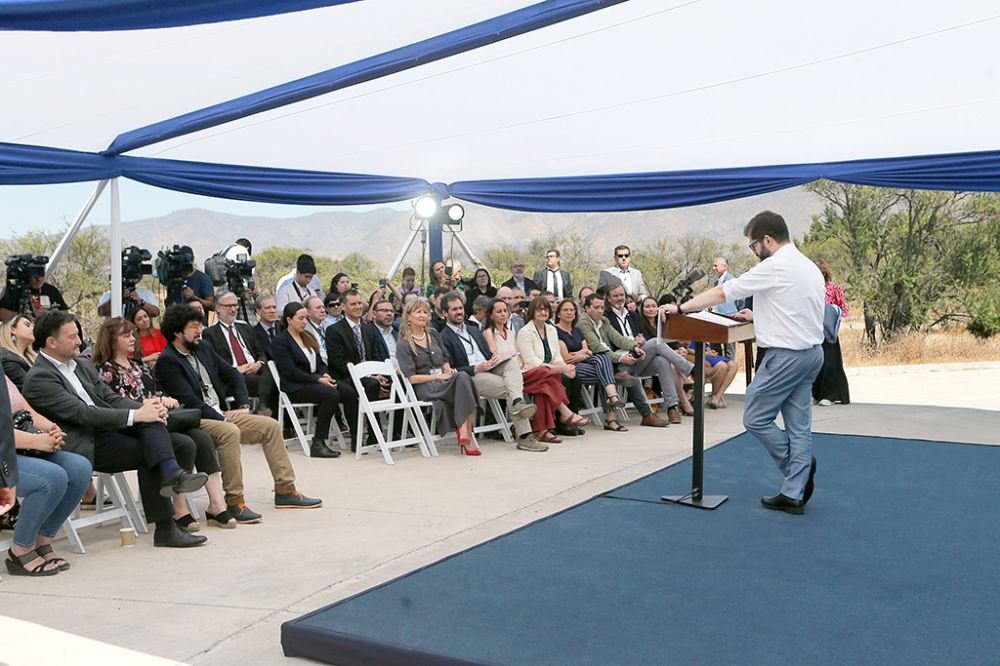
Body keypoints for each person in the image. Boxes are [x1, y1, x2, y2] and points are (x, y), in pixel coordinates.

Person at [661, 210, 825, 514]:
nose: (754, 252)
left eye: (753, 246)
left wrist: (681, 307)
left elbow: (724, 291)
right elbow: (798, 308)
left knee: (755, 417)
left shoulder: (775, 265)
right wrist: (760, 315)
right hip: (811, 354)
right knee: (799, 426)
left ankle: (795, 468)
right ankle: (793, 492)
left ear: (767, 239)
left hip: (785, 356)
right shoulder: (808, 267)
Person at [23, 310, 208, 548]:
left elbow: (110, 399)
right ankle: (165, 526)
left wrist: (146, 409)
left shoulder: (80, 365)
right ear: (51, 342)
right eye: (72, 337)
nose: (79, 341)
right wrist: (137, 414)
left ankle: (172, 476)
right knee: (149, 451)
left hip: (107, 431)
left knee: (177, 439)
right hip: (82, 441)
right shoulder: (39, 377)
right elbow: (83, 413)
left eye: (78, 335)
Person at [154, 304, 322, 521]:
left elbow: (232, 375)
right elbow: (191, 401)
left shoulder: (203, 348)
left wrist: (243, 406)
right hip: (196, 419)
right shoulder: (168, 361)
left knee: (270, 426)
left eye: (200, 325)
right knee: (229, 431)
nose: (199, 330)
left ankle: (285, 490)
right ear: (177, 332)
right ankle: (234, 502)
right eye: (194, 326)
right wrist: (223, 416)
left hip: (221, 413)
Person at [93, 317, 235, 530]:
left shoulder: (138, 364)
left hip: (159, 419)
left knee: (202, 438)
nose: (132, 338)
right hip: (134, 426)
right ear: (112, 341)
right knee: (184, 443)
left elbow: (156, 389)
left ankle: (216, 505)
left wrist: (165, 399)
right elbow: (116, 402)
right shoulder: (104, 370)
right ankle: (180, 510)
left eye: (132, 334)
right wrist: (151, 404)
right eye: (126, 335)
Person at [4, 370, 91, 576]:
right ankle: (21, 548)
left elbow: (26, 410)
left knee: (79, 468)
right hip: (5, 453)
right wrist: (36, 441)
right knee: (50, 477)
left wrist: (51, 429)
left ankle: (42, 540)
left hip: (15, 448)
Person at [443, 294, 545, 452]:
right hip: (470, 376)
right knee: (512, 388)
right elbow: (450, 371)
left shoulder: (472, 329)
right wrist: (476, 368)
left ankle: (518, 401)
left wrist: (493, 358)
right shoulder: (443, 336)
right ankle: (525, 435)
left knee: (512, 363)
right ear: (444, 313)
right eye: (454, 309)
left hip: (489, 366)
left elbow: (485, 352)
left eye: (461, 308)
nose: (459, 312)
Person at [394, 298, 480, 455]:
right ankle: (466, 431)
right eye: (418, 312)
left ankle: (464, 430)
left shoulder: (433, 334)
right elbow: (411, 378)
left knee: (462, 376)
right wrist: (437, 378)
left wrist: (447, 371)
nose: (422, 315)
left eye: (425, 312)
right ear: (408, 316)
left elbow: (445, 359)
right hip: (424, 386)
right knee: (463, 381)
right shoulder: (404, 345)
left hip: (443, 381)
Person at [272, 302, 357, 458]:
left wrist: (324, 374)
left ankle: (356, 437)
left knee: (349, 392)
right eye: (301, 318)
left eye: (306, 318)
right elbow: (290, 372)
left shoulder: (307, 337)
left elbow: (320, 363)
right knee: (331, 394)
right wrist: (318, 379)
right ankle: (318, 443)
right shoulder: (281, 341)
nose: (305, 322)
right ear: (289, 320)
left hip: (315, 381)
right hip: (295, 386)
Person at [576, 293, 669, 428]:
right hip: (594, 361)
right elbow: (596, 347)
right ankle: (638, 414)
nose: (600, 311)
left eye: (602, 308)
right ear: (586, 308)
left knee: (623, 372)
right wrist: (620, 358)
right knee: (611, 368)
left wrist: (634, 347)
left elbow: (618, 338)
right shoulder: (583, 323)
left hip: (609, 361)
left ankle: (622, 387)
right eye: (596, 307)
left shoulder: (604, 321)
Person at [605, 284, 691, 422]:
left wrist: (641, 339)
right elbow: (612, 341)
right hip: (622, 362)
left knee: (662, 361)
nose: (620, 298)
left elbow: (643, 335)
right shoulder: (606, 317)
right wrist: (634, 341)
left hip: (639, 358)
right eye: (615, 296)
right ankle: (688, 369)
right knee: (657, 343)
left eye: (622, 295)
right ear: (609, 299)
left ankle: (672, 407)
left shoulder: (633, 315)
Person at [515, 297, 591, 443]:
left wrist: (564, 367)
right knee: (549, 375)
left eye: (545, 309)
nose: (542, 312)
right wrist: (557, 368)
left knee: (557, 381)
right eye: (538, 309)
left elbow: (556, 354)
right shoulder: (525, 332)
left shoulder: (551, 329)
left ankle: (543, 430)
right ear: (532, 311)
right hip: (529, 373)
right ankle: (565, 413)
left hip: (545, 375)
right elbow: (531, 361)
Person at [554, 298, 628, 431]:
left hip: (584, 364)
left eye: (572, 310)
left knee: (603, 357)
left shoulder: (576, 330)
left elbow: (588, 352)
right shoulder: (555, 331)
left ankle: (611, 397)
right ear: (558, 313)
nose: (569, 312)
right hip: (568, 368)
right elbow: (566, 358)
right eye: (565, 310)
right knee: (606, 374)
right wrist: (582, 353)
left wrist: (580, 354)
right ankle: (611, 414)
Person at [202, 291, 277, 417]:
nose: (233, 309)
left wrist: (259, 363)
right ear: (218, 308)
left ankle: (263, 408)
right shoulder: (210, 333)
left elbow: (261, 353)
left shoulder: (245, 328)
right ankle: (270, 416)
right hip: (233, 376)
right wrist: (236, 369)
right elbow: (213, 363)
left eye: (235, 305)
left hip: (255, 370)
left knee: (272, 367)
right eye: (229, 306)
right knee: (274, 382)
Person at [323, 289, 381, 449]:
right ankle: (363, 435)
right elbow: (338, 362)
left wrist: (377, 373)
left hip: (369, 375)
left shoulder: (368, 329)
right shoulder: (334, 330)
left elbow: (375, 355)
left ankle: (393, 432)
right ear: (343, 306)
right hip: (345, 376)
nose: (358, 307)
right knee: (371, 385)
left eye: (359, 303)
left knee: (393, 384)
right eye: (353, 304)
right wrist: (367, 375)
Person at [636, 297, 694, 415]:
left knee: (665, 361)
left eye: (653, 306)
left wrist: (680, 349)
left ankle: (674, 406)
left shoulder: (662, 322)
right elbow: (650, 346)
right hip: (643, 360)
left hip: (661, 361)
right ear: (642, 309)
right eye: (647, 306)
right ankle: (689, 376)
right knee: (657, 345)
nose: (651, 309)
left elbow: (672, 343)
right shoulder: (639, 323)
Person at [812, 260, 850, 407]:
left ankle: (831, 394)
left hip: (829, 332)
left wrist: (832, 317)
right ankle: (816, 393)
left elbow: (842, 309)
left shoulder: (834, 288)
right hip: (814, 331)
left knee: (831, 364)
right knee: (816, 364)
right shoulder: (811, 289)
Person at [0, 269, 68, 320]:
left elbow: (65, 311)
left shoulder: (51, 290)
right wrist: (30, 314)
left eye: (41, 274)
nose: (39, 280)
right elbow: (2, 314)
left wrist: (54, 314)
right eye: (35, 276)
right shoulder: (13, 289)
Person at [166, 246, 215, 314]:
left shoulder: (203, 278)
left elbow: (212, 306)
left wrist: (194, 298)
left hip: (198, 322)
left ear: (193, 259)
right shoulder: (174, 278)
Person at [710, 257, 739, 358]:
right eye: (713, 266)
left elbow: (741, 299)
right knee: (715, 348)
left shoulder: (731, 281)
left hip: (729, 318)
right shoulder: (716, 282)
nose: (714, 268)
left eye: (716, 266)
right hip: (716, 319)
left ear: (724, 266)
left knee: (729, 349)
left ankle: (730, 370)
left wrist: (735, 313)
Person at [0, 315, 38, 390]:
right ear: (13, 330)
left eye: (33, 326)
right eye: (27, 325)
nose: (33, 328)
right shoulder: (7, 359)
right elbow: (32, 388)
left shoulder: (33, 357)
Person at [252, 294, 279, 362]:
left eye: (274, 307)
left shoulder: (285, 327)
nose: (272, 311)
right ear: (258, 311)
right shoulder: (253, 334)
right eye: (268, 308)